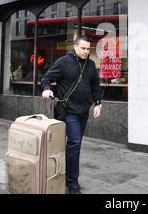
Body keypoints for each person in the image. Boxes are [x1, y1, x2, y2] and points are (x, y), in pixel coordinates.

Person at [41, 35, 102, 194]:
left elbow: (95, 85)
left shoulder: (91, 64)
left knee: (74, 145)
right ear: (75, 47)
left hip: (84, 112)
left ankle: (67, 175)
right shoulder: (63, 62)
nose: (86, 51)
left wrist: (98, 103)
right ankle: (72, 185)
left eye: (88, 49)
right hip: (68, 111)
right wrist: (47, 88)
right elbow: (47, 77)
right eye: (83, 48)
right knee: (74, 143)